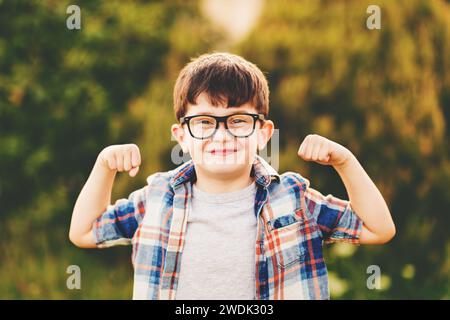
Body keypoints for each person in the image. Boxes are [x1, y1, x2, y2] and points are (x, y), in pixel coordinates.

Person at [69, 52, 396, 300]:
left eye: (238, 120)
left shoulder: (293, 199)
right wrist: (104, 167)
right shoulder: (157, 198)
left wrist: (346, 162)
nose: (222, 135)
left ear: (264, 133)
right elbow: (85, 232)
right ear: (181, 135)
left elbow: (377, 228)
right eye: (204, 122)